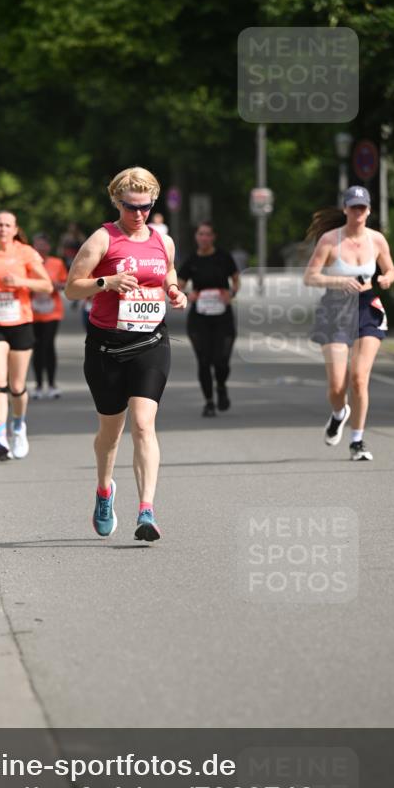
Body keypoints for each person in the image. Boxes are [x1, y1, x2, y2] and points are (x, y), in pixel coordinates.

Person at [65, 166, 187, 542]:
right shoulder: (102, 240)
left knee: (143, 423)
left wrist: (174, 290)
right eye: (131, 207)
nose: (139, 214)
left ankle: (146, 511)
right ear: (117, 202)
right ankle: (104, 490)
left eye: (146, 206)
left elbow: (167, 272)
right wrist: (106, 282)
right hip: (106, 347)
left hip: (151, 343)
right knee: (110, 433)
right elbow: (72, 288)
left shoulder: (162, 240)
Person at [303, 185, 394, 461]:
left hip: (367, 307)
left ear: (368, 210)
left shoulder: (377, 240)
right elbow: (310, 277)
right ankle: (338, 413)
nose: (358, 212)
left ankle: (357, 441)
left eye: (362, 208)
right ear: (345, 209)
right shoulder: (330, 241)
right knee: (336, 386)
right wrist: (339, 281)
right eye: (353, 207)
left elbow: (390, 268)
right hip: (335, 308)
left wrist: (387, 278)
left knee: (359, 378)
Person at [0, 210, 53, 461]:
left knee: (17, 386)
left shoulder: (26, 253)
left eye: (8, 225)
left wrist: (21, 282)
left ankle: (18, 426)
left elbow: (47, 285)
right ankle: (0, 437)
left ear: (15, 229)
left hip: (20, 322)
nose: (3, 229)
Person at [177, 222, 240, 417]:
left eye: (207, 234)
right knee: (204, 361)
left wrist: (231, 293)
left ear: (213, 237)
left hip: (223, 316)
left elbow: (236, 278)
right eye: (201, 234)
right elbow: (178, 284)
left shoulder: (223, 257)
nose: (204, 238)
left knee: (221, 361)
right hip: (199, 318)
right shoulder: (192, 260)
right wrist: (188, 295)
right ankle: (209, 402)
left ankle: (220, 385)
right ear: (196, 237)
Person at [31, 233, 68, 399]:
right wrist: (33, 287)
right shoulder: (28, 264)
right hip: (32, 311)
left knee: (48, 345)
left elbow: (65, 283)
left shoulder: (57, 263)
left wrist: (55, 285)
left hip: (52, 311)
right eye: (37, 246)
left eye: (43, 245)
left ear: (48, 247)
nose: (40, 249)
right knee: (36, 347)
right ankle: (38, 385)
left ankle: (52, 384)